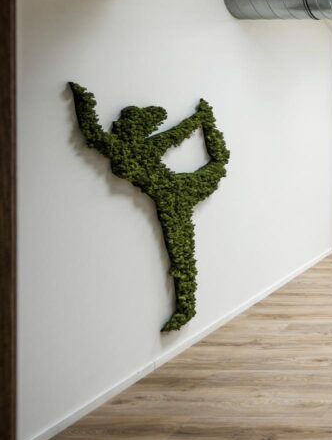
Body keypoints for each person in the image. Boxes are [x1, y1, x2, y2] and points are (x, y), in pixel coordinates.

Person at [68, 82, 230, 331]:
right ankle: (185, 309)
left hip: (176, 192)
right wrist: (82, 99)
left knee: (182, 255)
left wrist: (200, 119)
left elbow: (175, 133)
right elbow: (94, 133)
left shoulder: (139, 148)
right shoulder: (130, 149)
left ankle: (185, 309)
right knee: (181, 255)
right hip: (173, 195)